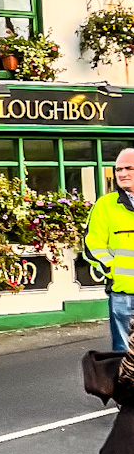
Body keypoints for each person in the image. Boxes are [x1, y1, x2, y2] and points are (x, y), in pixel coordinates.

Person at [85, 148, 134, 352]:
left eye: (129, 168)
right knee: (124, 354)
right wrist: (112, 269)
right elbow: (92, 245)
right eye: (118, 169)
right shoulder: (105, 205)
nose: (122, 174)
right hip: (123, 293)